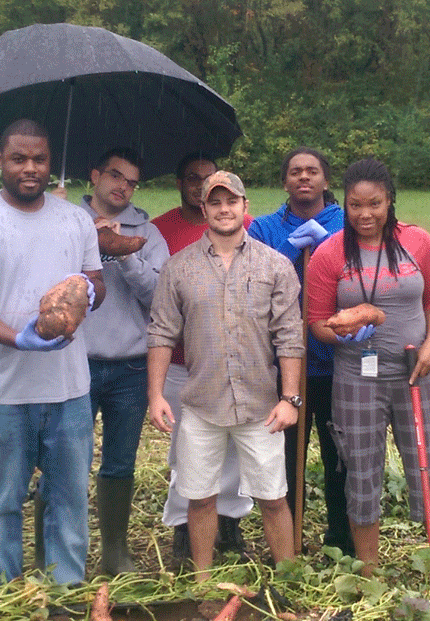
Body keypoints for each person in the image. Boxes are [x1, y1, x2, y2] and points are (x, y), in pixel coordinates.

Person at [0, 119, 106, 587]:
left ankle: (64, 593)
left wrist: (90, 294)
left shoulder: (75, 221)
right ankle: (7, 595)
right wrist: (18, 338)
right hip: (0, 391)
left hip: (68, 388)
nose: (29, 168)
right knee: (4, 502)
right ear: (0, 159)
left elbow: (95, 281)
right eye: (19, 158)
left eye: (39, 159)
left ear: (51, 161)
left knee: (69, 499)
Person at [147, 170, 304, 581]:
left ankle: (286, 576)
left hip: (260, 406)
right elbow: (161, 332)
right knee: (199, 498)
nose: (223, 209)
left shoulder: (276, 266)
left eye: (231, 201)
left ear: (244, 207)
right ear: (204, 209)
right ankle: (203, 581)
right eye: (214, 202)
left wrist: (290, 399)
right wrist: (156, 395)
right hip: (201, 404)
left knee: (273, 497)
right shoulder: (178, 268)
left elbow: (289, 336)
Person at [307, 158, 430, 583]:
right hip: (356, 376)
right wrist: (342, 334)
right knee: (361, 472)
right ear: (346, 205)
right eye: (355, 205)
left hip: (415, 372)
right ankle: (367, 578)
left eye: (374, 204)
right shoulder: (330, 252)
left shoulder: (418, 241)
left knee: (429, 468)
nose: (365, 214)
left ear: (390, 201)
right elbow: (317, 321)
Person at [247, 146, 352, 555]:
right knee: (286, 457)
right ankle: (287, 543)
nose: (303, 177)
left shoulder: (346, 223)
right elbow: (253, 281)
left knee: (337, 458)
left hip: (336, 364)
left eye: (312, 171)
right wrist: (292, 252)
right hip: (285, 367)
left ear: (326, 180)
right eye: (295, 171)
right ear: (285, 180)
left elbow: (358, 274)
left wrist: (325, 251)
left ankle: (341, 541)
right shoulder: (265, 228)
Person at [151, 153, 254, 562]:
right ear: (180, 183)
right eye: (192, 178)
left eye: (207, 178)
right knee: (187, 451)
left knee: (231, 448)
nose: (200, 185)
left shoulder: (241, 224)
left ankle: (229, 524)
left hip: (234, 362)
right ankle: (182, 530)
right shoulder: (162, 230)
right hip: (183, 363)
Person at [80, 148, 169, 575]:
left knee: (120, 461)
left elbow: (161, 298)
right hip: (74, 363)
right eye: (115, 175)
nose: (122, 186)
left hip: (129, 366)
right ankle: (57, 554)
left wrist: (124, 254)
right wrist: (88, 244)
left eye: (132, 182)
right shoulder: (63, 221)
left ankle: (114, 552)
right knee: (65, 458)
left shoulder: (147, 234)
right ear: (95, 174)